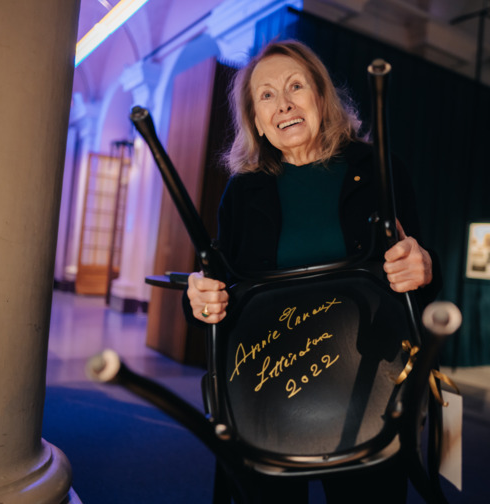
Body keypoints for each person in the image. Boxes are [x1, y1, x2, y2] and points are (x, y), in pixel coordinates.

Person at [184, 40, 441, 503]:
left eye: (295, 86)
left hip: (367, 384)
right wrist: (200, 297)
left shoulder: (381, 171)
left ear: (321, 97)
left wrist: (422, 267)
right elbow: (216, 281)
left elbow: (421, 268)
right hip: (266, 387)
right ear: (257, 122)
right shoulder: (243, 193)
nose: (282, 103)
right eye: (266, 96)